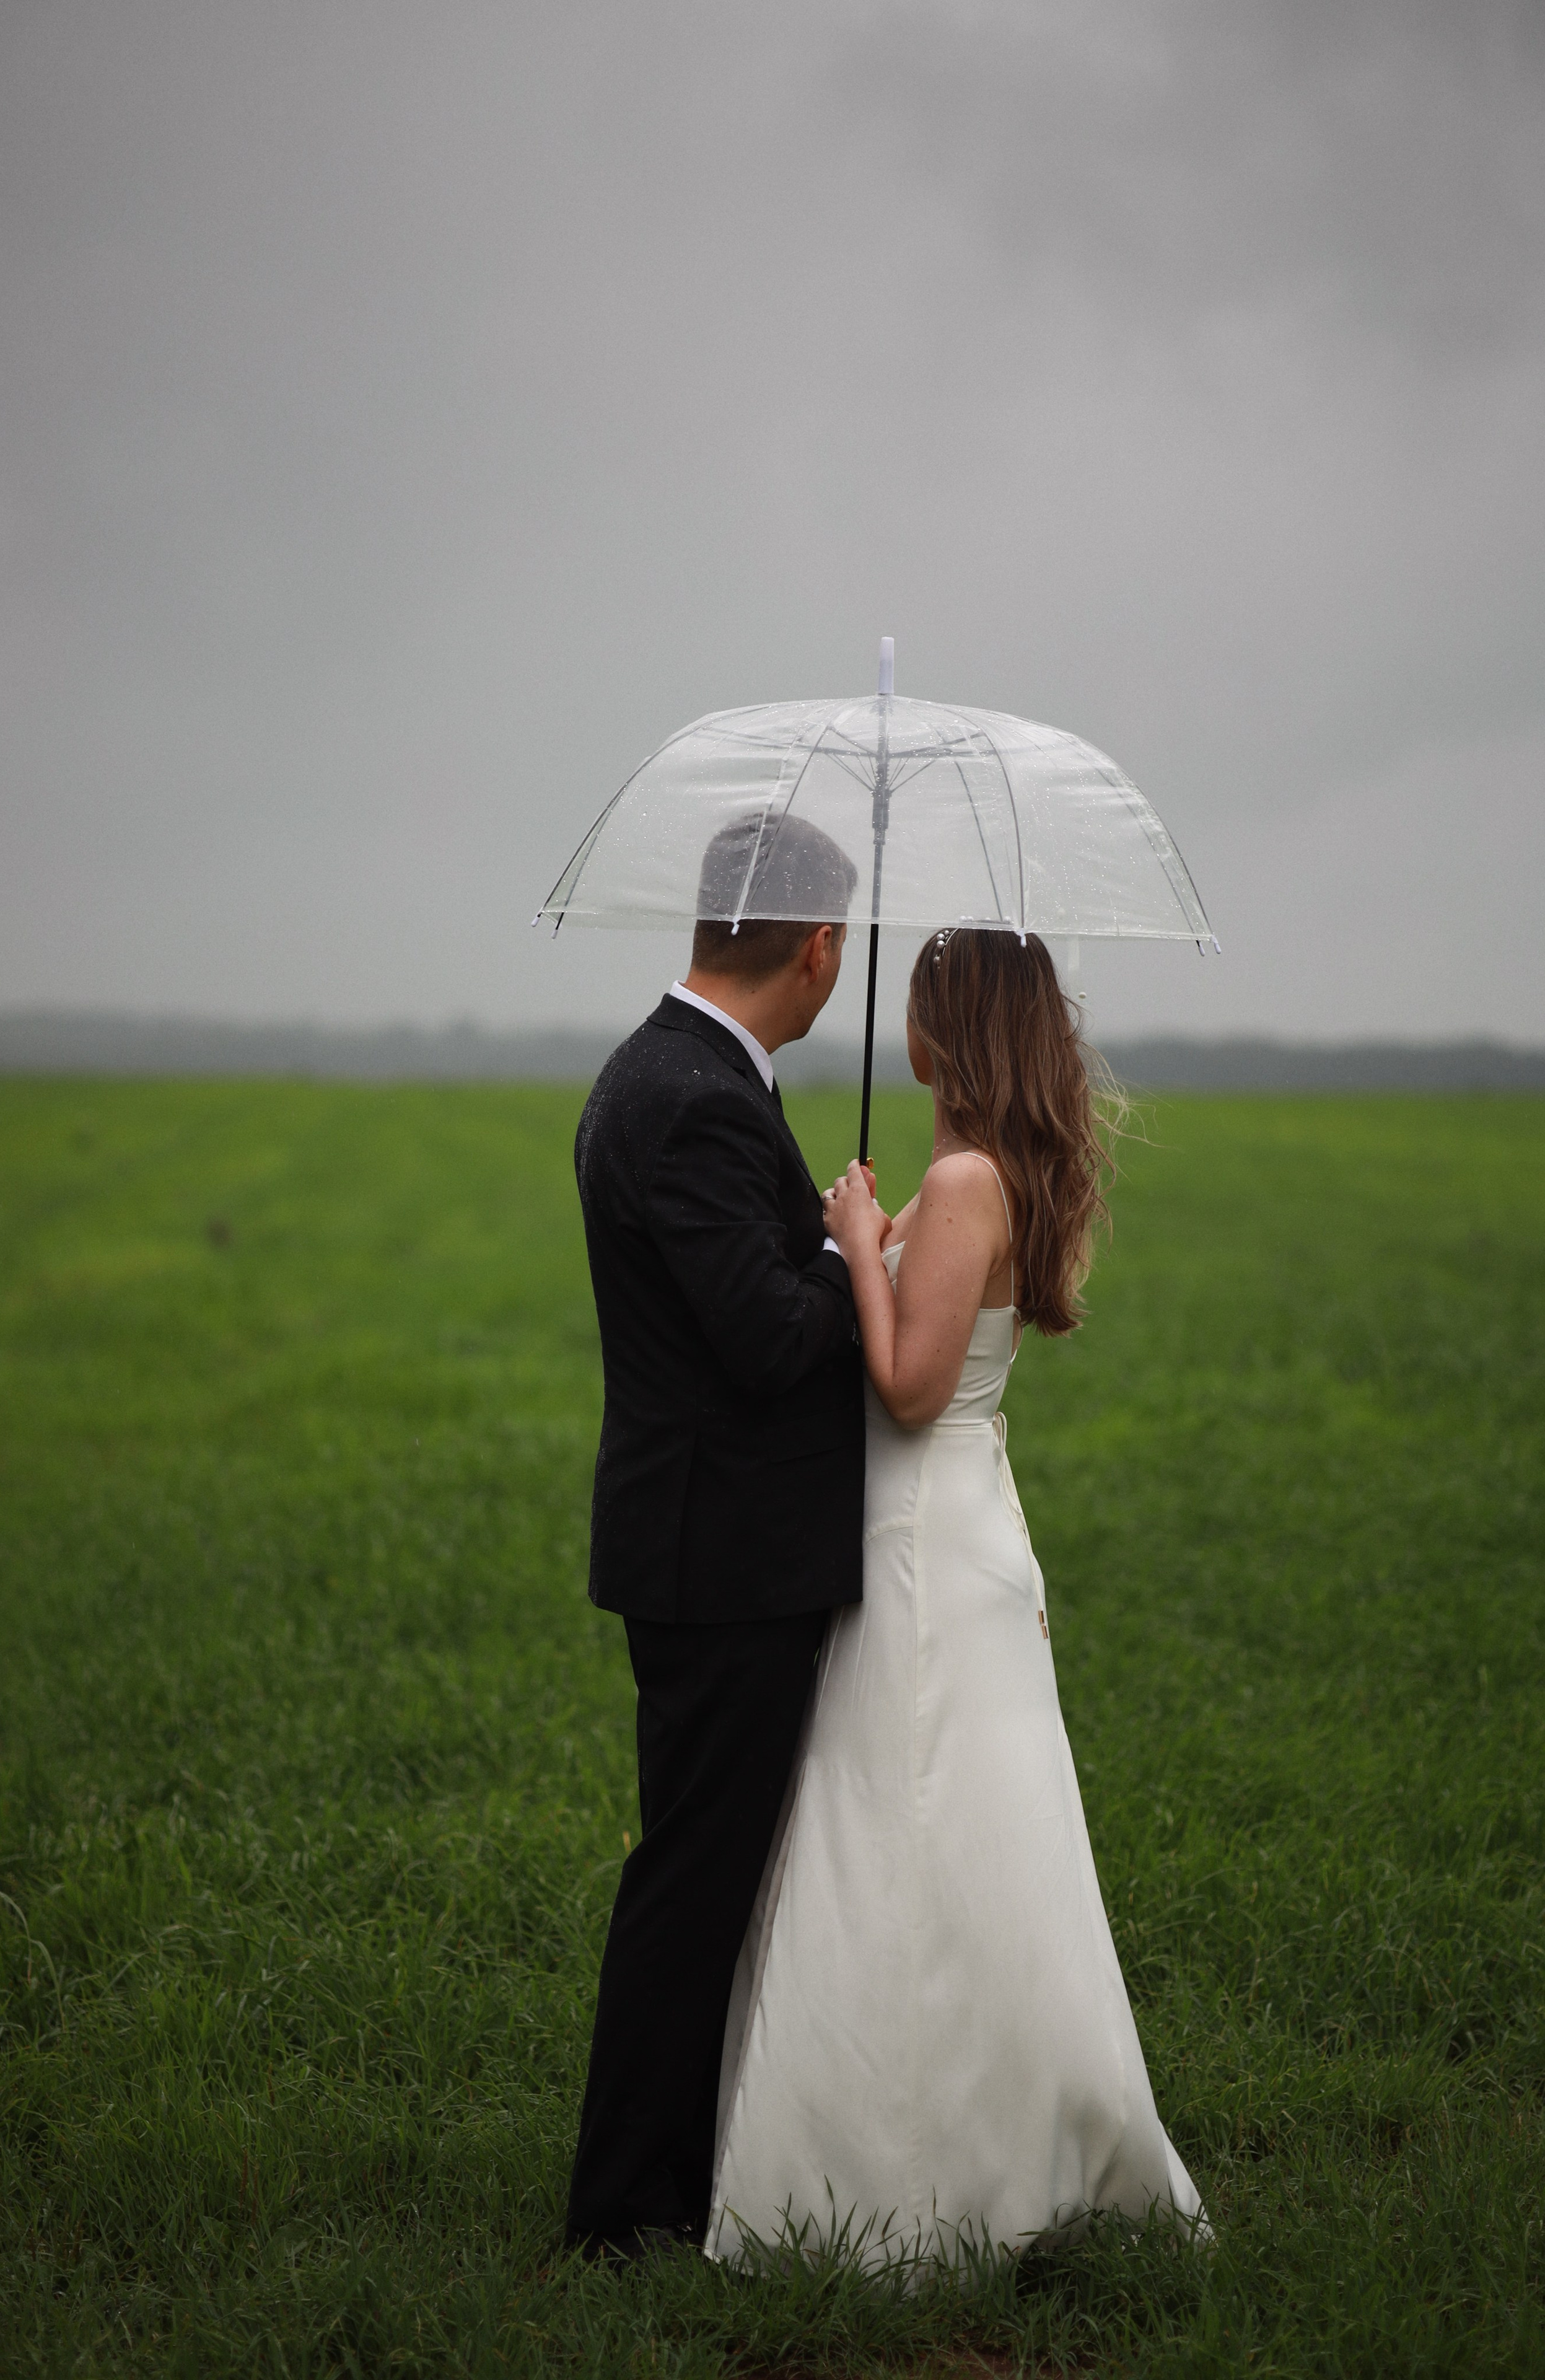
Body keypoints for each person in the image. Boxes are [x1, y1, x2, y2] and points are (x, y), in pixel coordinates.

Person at [708, 925, 1206, 2270]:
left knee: (909, 1814)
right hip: (947, 1522)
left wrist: (862, 1242)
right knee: (943, 1820)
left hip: (923, 1534)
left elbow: (912, 1386)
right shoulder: (993, 1171)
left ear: (944, 1034)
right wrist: (865, 1234)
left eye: (922, 1006)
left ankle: (917, 2164)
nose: (910, 1027)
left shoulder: (969, 1173)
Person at [564, 814, 864, 2261]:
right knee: (694, 1877)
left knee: (703, 1865)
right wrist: (855, 1265)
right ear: (816, 948)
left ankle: (677, 2176)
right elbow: (761, 1336)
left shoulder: (673, 1073)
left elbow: (728, 1286)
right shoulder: (691, 1098)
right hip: (720, 1553)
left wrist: (805, 1236)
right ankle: (626, 2212)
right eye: (841, 947)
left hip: (710, 1541)